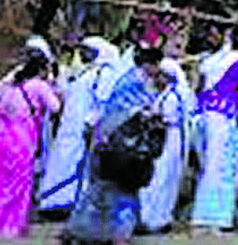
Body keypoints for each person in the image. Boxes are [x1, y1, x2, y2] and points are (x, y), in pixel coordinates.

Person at [64, 47, 164, 245]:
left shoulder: (134, 80)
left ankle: (92, 232)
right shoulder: (133, 83)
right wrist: (148, 115)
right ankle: (109, 234)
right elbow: (127, 111)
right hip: (121, 145)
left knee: (105, 192)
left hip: (118, 143)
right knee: (113, 192)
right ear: (149, 64)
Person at [40, 37, 120, 215]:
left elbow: (102, 102)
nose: (83, 54)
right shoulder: (84, 72)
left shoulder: (104, 73)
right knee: (61, 159)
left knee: (74, 162)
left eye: (88, 51)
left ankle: (66, 202)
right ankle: (53, 200)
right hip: (68, 126)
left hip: (81, 128)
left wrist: (89, 123)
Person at [190, 30, 238, 235]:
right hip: (224, 117)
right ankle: (219, 218)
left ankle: (201, 216)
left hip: (204, 114)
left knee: (207, 166)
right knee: (224, 168)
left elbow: (199, 87)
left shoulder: (212, 60)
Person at [0, 50, 61, 238]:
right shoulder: (39, 85)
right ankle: (14, 225)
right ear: (42, 69)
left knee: (4, 180)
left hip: (4, 135)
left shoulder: (12, 85)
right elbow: (55, 107)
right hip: (23, 137)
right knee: (21, 181)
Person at [138, 58, 188, 234]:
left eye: (160, 75)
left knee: (163, 178)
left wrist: (150, 120)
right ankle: (150, 217)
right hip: (162, 139)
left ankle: (158, 219)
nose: (156, 78)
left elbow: (168, 121)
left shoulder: (172, 97)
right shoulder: (161, 95)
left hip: (168, 140)